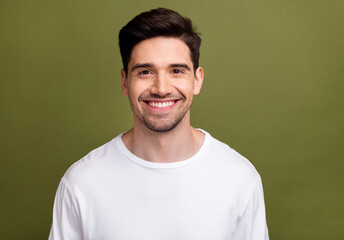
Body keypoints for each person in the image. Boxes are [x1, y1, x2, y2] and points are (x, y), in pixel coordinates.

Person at [49, 8, 269, 240]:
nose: (161, 88)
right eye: (145, 71)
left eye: (176, 71)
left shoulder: (239, 178)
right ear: (125, 83)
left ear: (197, 80)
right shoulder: (81, 183)